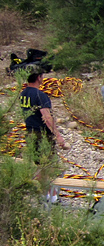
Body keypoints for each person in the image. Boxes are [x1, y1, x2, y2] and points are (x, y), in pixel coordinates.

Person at [20, 71, 65, 203]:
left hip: (30, 132)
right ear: (39, 78)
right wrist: (58, 136)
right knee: (49, 165)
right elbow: (47, 117)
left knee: (39, 165)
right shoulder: (40, 95)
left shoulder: (23, 94)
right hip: (42, 134)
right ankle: (52, 197)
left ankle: (44, 194)